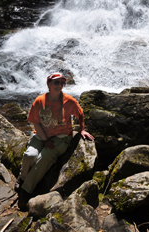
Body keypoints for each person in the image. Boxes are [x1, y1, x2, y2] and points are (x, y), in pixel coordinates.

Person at [15, 72, 94, 211]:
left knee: (44, 157)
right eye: (56, 82)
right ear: (49, 84)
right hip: (41, 135)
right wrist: (44, 140)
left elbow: (80, 113)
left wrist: (82, 129)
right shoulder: (40, 101)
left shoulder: (69, 101)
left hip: (61, 137)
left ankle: (25, 191)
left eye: (62, 83)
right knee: (30, 155)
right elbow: (36, 123)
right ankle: (22, 177)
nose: (59, 85)